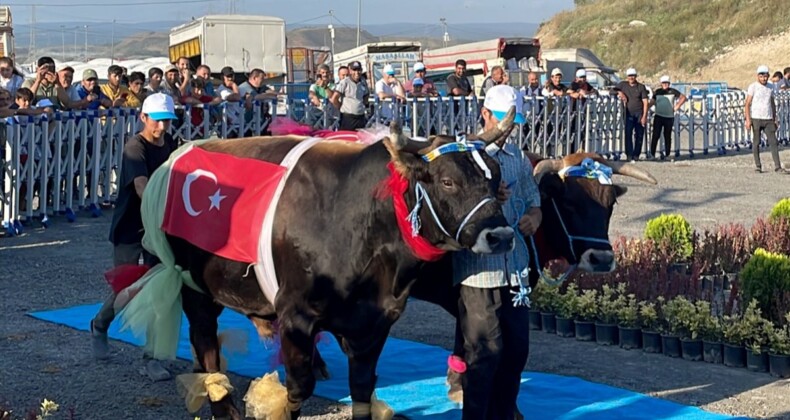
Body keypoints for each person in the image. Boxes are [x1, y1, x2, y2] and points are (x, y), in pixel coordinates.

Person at [453, 84, 541, 419]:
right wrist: (490, 193)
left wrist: (534, 216)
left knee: (517, 349)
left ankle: (505, 412)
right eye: (502, 122)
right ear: (485, 114)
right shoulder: (464, 155)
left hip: (516, 268)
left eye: (513, 123)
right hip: (479, 270)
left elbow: (534, 200)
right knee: (485, 350)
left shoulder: (517, 157)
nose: (508, 130)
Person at [90, 93, 180, 380]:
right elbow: (142, 186)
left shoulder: (172, 145)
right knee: (127, 290)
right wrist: (160, 208)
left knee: (161, 291)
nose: (162, 128)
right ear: (143, 118)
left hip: (161, 227)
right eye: (158, 121)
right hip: (131, 227)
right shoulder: (134, 148)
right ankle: (100, 324)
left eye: (167, 121)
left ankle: (151, 357)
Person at [745, 65, 788, 174]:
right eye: (761, 76)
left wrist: (775, 118)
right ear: (757, 76)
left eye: (765, 76)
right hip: (756, 118)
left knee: (773, 142)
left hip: (768, 118)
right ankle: (758, 166)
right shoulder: (753, 87)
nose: (764, 78)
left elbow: (772, 102)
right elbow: (747, 104)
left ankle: (777, 166)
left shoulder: (771, 87)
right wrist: (748, 119)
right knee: (756, 142)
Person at [649, 75, 687, 161]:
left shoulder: (673, 91)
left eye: (667, 83)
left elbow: (683, 97)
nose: (665, 84)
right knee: (655, 135)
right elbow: (652, 102)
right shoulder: (657, 92)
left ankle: (667, 154)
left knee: (667, 136)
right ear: (661, 83)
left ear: (669, 83)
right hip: (658, 116)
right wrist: (645, 108)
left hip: (669, 117)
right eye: (663, 83)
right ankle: (652, 154)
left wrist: (677, 106)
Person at [615, 68, 649, 162]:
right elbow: (611, 91)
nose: (631, 78)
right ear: (627, 77)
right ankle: (629, 154)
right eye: (630, 76)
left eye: (633, 76)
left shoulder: (641, 87)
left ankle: (636, 154)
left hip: (639, 113)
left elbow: (645, 102)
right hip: (628, 113)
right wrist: (620, 92)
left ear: (636, 76)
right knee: (628, 134)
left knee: (639, 134)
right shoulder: (622, 85)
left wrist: (644, 116)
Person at [330, 60, 369, 130]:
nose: (357, 73)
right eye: (354, 70)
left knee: (361, 139)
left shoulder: (363, 82)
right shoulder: (345, 82)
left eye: (359, 70)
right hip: (347, 118)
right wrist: (340, 107)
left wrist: (364, 104)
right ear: (350, 71)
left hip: (360, 117)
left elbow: (366, 94)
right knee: (346, 139)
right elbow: (334, 99)